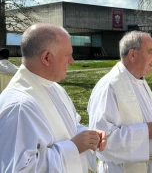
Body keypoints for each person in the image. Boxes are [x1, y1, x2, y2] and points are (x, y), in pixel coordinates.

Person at [0, 23, 107, 172]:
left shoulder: (55, 88)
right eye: (68, 55)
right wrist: (74, 147)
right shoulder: (19, 106)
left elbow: (69, 125)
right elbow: (19, 169)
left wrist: (88, 135)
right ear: (46, 57)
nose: (72, 61)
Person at [87, 31, 152, 173]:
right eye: (150, 52)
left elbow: (139, 115)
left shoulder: (138, 80)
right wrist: (146, 131)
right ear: (132, 55)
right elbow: (102, 139)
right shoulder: (109, 86)